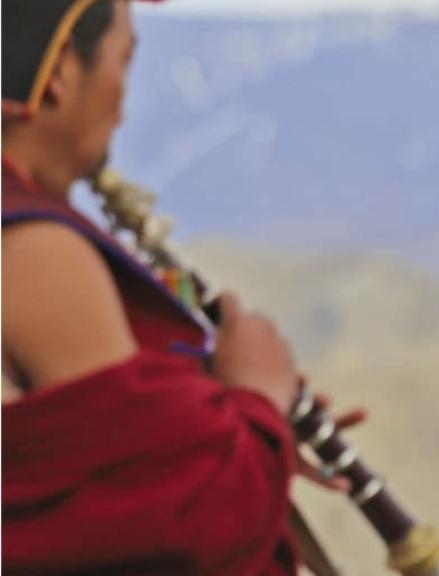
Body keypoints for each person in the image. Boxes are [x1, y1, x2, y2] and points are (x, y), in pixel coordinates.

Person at [2, 1, 361, 573]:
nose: (122, 106)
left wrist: (224, 422)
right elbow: (173, 517)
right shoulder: (31, 248)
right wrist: (259, 399)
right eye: (123, 61)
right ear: (63, 71)